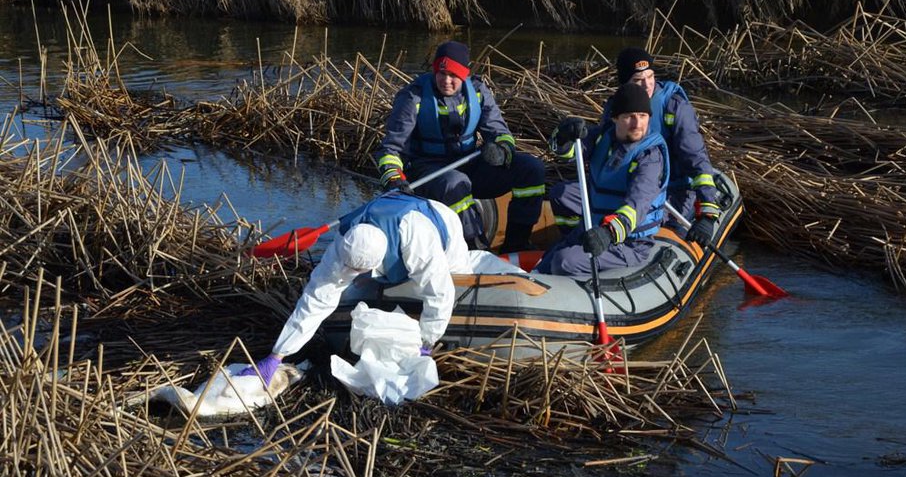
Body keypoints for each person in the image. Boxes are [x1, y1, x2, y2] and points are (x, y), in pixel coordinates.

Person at [240, 192, 519, 385]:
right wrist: (278, 354)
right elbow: (316, 299)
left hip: (440, 222)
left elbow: (440, 292)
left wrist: (426, 342)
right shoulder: (344, 244)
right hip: (389, 239)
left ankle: (493, 262)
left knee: (458, 279)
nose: (352, 275)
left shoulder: (416, 238)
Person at [373, 40, 546, 253]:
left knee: (532, 169)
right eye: (441, 73)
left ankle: (517, 245)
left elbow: (501, 134)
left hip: (470, 163)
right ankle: (476, 251)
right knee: (456, 184)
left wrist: (501, 151)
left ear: (464, 74)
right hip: (428, 171)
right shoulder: (413, 96)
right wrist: (393, 178)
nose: (446, 81)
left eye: (453, 75)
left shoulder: (478, 91)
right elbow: (390, 149)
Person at [535, 82, 669, 278]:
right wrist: (564, 137)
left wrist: (608, 233)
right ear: (615, 118)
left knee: (564, 261)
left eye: (642, 116)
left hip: (629, 243)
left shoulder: (650, 157)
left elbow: (636, 206)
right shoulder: (602, 137)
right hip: (594, 225)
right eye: (629, 116)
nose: (637, 123)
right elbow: (570, 153)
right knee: (546, 263)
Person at [602, 47, 720, 247]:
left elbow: (696, 158)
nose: (647, 84)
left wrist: (708, 213)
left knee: (649, 227)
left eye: (651, 76)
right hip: (631, 186)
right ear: (625, 84)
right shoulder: (617, 107)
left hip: (675, 191)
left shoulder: (674, 106)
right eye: (638, 80)